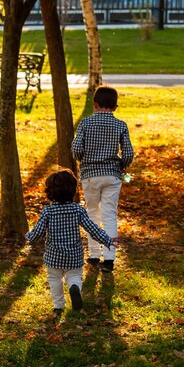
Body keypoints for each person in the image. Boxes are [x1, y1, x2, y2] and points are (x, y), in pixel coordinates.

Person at [25, 169, 115, 313]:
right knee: (74, 275)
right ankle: (74, 287)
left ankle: (59, 305)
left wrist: (29, 236)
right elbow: (92, 228)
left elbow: (38, 232)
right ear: (72, 191)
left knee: (54, 279)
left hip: (54, 256)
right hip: (74, 255)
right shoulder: (77, 210)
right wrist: (107, 240)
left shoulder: (48, 211)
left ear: (50, 193)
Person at [71, 85, 134, 273]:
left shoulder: (85, 123)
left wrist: (85, 160)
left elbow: (76, 149)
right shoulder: (120, 125)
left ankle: (93, 254)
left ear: (94, 104)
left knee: (92, 214)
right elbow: (128, 152)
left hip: (90, 175)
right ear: (115, 107)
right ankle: (109, 259)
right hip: (112, 175)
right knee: (109, 215)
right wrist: (122, 165)